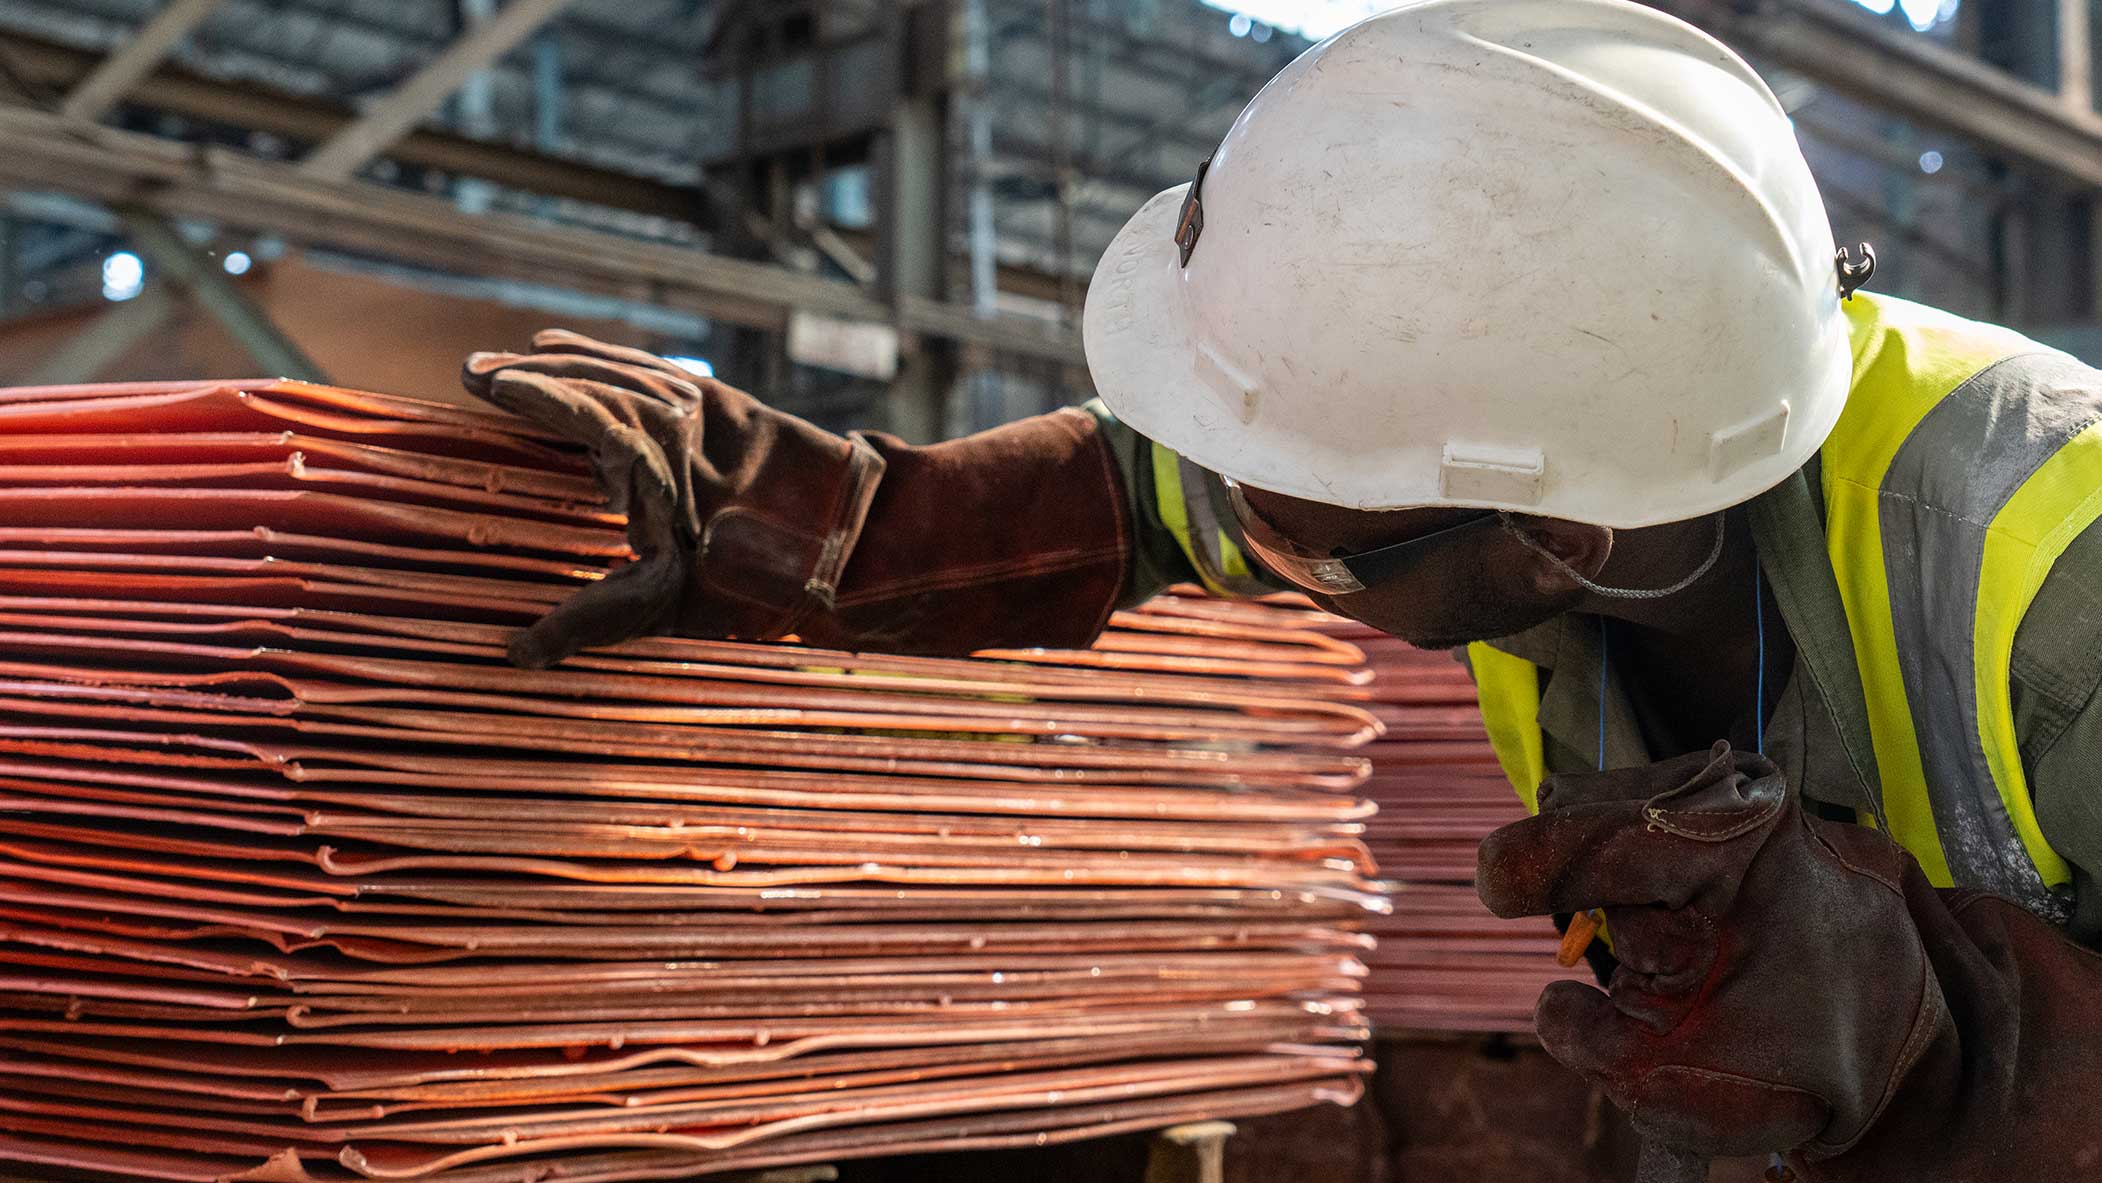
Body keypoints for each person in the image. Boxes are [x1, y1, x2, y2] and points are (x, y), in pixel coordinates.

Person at [459, 1, 2102, 1176]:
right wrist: (847, 523)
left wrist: (1952, 1042)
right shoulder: (1554, 434)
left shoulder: (2058, 584)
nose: (1251, 543)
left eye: (1308, 541)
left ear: (1558, 542)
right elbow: (1140, 488)